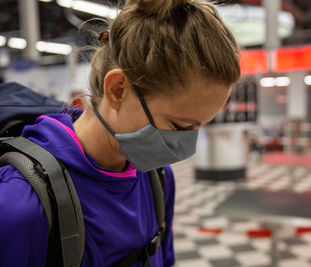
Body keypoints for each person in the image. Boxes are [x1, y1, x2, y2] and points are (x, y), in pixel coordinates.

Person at [0, 0, 240, 266]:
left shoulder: (156, 178)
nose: (188, 145)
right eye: (179, 126)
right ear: (118, 90)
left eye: (200, 126)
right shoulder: (22, 206)